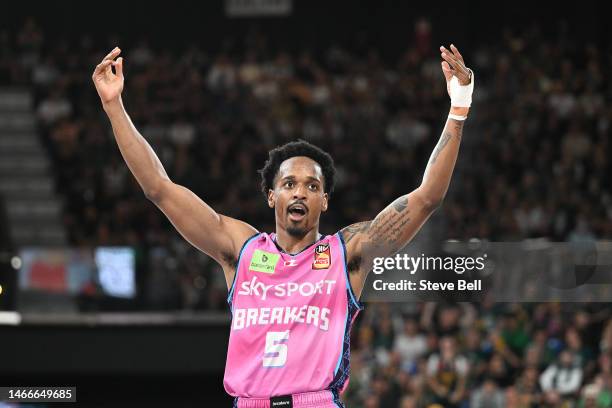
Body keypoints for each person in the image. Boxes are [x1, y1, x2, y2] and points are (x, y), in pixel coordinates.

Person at [91, 44, 474, 407]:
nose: (300, 193)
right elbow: (159, 188)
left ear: (324, 200)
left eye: (312, 186)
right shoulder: (241, 249)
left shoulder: (348, 252)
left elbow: (426, 198)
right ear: (272, 195)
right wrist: (114, 107)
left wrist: (459, 106)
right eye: (289, 184)